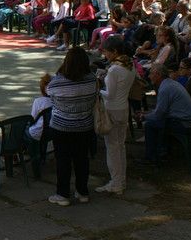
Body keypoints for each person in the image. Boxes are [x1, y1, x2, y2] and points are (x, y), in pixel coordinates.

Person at [46, 47, 98, 206]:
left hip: (61, 126)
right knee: (82, 159)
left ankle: (63, 194)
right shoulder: (92, 80)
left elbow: (50, 95)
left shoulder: (57, 83)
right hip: (85, 125)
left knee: (63, 160)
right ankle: (82, 191)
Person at [97, 36, 135, 194]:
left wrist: (98, 89)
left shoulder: (114, 70)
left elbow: (110, 94)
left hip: (112, 109)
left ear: (114, 51)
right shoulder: (130, 65)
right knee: (120, 146)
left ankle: (116, 182)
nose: (105, 54)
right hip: (123, 108)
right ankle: (121, 179)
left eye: (106, 51)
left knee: (112, 148)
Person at [140, 64, 191, 165]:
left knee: (150, 125)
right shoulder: (170, 83)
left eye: (151, 74)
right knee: (156, 121)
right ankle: (161, 152)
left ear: (158, 75)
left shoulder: (165, 88)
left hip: (185, 124)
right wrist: (149, 114)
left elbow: (159, 115)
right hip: (190, 120)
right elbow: (162, 110)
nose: (149, 76)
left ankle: (152, 157)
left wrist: (144, 116)